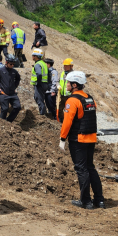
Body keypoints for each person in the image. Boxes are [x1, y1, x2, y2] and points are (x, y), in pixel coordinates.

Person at [59, 71, 105, 210]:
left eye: (68, 83)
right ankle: (99, 200)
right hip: (91, 138)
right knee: (90, 167)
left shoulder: (72, 100)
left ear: (74, 85)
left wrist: (62, 139)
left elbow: (67, 122)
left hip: (78, 139)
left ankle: (86, 201)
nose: (66, 85)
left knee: (81, 169)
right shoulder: (90, 99)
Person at [0, 54, 22, 122]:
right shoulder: (0, 70)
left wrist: (15, 86)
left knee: (18, 107)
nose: (12, 65)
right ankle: (2, 123)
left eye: (14, 64)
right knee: (4, 109)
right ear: (6, 62)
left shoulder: (14, 72)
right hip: (3, 93)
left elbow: (18, 79)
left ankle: (9, 121)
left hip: (12, 94)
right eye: (11, 64)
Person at [31, 48, 49, 115]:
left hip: (40, 84)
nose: (32, 56)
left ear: (35, 56)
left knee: (39, 99)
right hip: (44, 84)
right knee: (39, 98)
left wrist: (38, 83)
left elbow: (39, 74)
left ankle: (42, 114)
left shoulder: (38, 64)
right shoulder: (43, 63)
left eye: (33, 55)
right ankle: (42, 112)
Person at [57, 58, 74, 124]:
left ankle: (70, 122)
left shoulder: (73, 74)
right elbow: (57, 81)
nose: (65, 67)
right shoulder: (62, 73)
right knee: (59, 109)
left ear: (71, 66)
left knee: (69, 110)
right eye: (64, 65)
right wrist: (58, 85)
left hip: (70, 96)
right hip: (62, 95)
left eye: (66, 66)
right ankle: (63, 121)